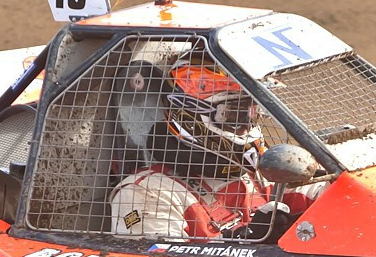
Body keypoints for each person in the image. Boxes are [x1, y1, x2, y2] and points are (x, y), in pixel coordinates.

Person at [109, 58, 319, 240]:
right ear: (192, 118)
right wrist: (247, 242)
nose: (246, 126)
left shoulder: (260, 170)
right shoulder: (145, 192)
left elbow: (318, 196)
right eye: (233, 115)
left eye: (251, 113)